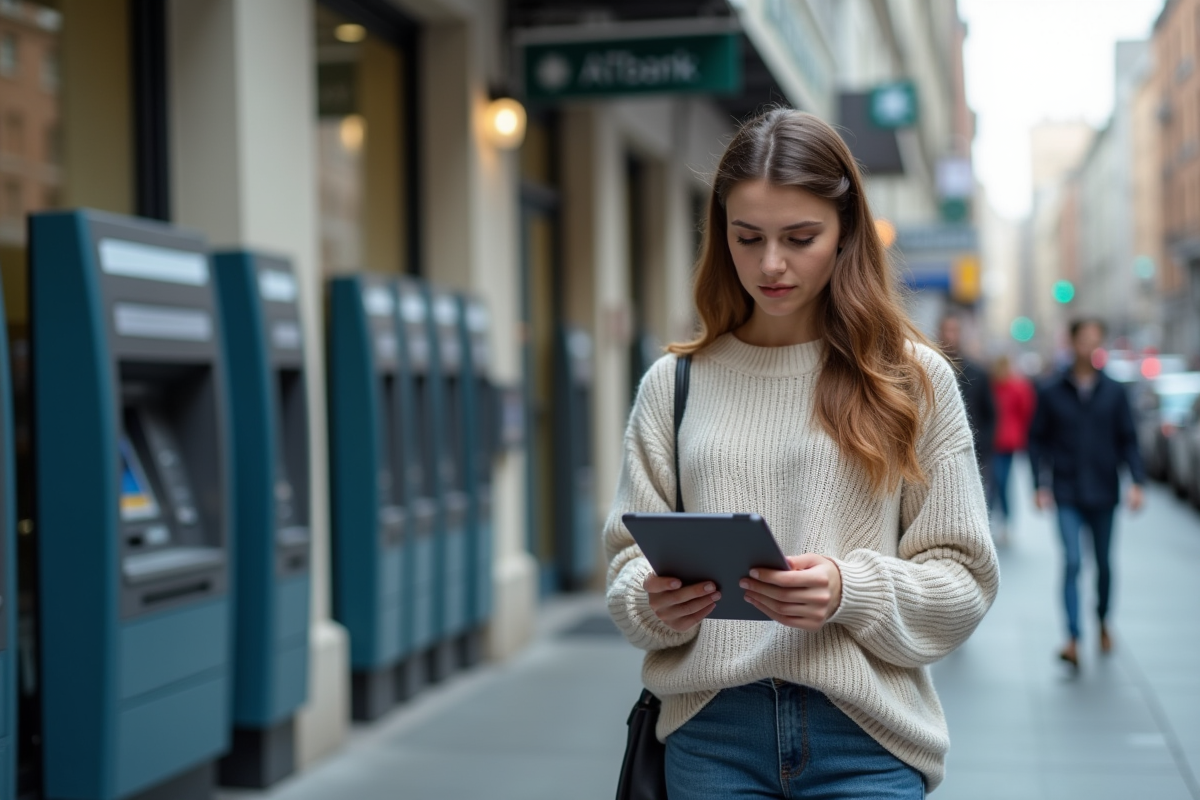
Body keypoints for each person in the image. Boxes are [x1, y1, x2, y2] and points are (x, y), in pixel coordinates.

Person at [603, 108, 999, 798]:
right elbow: (626, 565)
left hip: (867, 736)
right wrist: (654, 601)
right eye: (747, 237)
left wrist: (850, 590)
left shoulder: (910, 379)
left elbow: (964, 581)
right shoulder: (674, 384)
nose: (771, 263)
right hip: (712, 732)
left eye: (800, 237)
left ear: (846, 232)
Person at [1027, 318, 1145, 668]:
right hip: (1066, 490)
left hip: (1104, 490)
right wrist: (1039, 485)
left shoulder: (1114, 391)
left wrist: (1137, 481)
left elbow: (1129, 440)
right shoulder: (1050, 391)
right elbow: (1037, 440)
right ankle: (1073, 637)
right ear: (1072, 343)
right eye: (1084, 341)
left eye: (1096, 341)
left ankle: (1103, 619)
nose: (1089, 348)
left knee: (1104, 565)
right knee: (1074, 561)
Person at [938, 314, 996, 505]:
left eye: (955, 331)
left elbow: (990, 415)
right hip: (939, 456)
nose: (950, 336)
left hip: (973, 453)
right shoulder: (930, 368)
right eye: (947, 330)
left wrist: (982, 447)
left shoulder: (978, 373)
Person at [991, 355, 1036, 544]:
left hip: (1007, 442)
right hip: (991, 442)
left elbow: (1027, 412)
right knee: (992, 483)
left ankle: (1005, 521)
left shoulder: (1018, 387)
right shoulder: (991, 386)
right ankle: (992, 518)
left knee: (1002, 482)